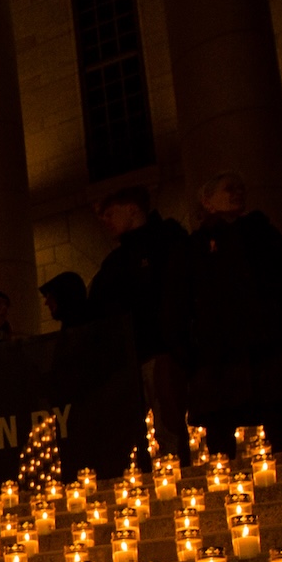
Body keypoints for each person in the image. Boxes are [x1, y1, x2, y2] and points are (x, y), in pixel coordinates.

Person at [185, 171, 282, 444]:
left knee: (277, 417)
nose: (238, 193)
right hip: (219, 352)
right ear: (208, 201)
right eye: (229, 189)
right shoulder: (196, 247)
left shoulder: (261, 233)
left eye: (241, 188)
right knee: (220, 425)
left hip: (266, 343)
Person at [89, 184, 194, 448]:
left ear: (132, 210)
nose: (105, 221)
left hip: (162, 351)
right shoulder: (118, 261)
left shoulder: (167, 243)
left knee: (168, 425)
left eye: (110, 213)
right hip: (130, 359)